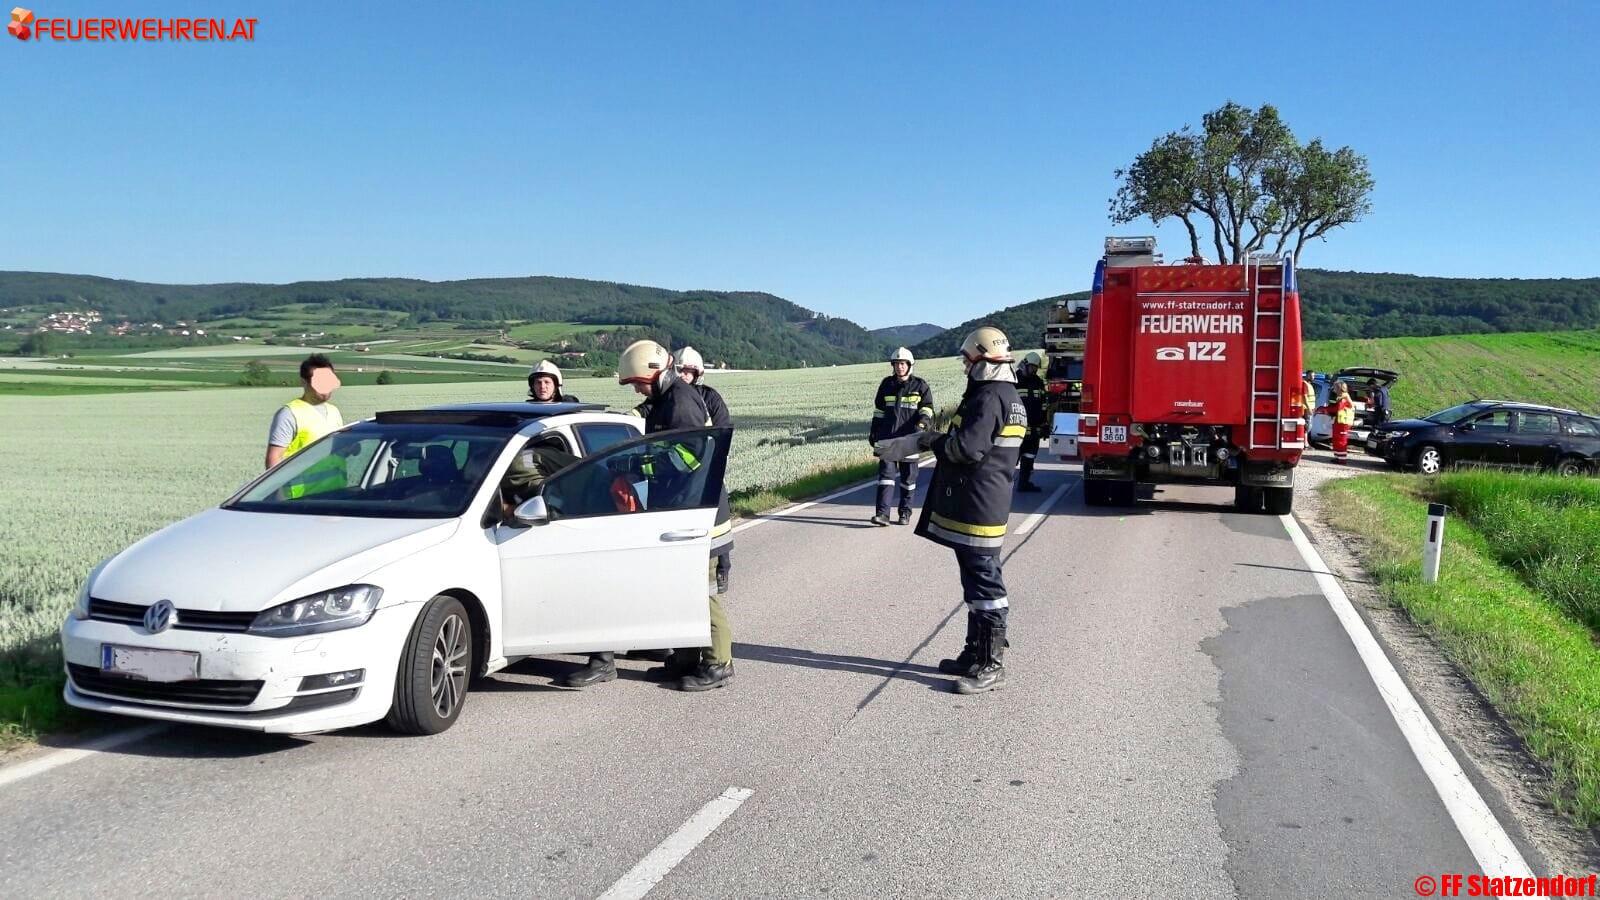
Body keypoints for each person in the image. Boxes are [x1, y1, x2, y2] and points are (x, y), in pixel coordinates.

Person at [885, 326, 1025, 695]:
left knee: (985, 582)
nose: (965, 367)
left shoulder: (991, 396)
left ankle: (992, 663)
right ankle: (974, 653)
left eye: (968, 361)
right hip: (982, 500)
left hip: (981, 504)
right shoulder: (1005, 394)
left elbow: (966, 449)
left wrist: (927, 439)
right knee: (974, 581)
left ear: (982, 360)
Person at [617, 339, 735, 692]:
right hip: (680, 509)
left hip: (698, 512)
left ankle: (719, 662)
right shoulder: (663, 400)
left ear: (655, 374)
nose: (636, 389)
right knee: (678, 589)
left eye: (637, 382)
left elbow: (690, 457)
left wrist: (640, 463)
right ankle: (684, 658)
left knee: (701, 590)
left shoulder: (680, 402)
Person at [868, 347, 934, 526]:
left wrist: (922, 423)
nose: (899, 367)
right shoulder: (886, 385)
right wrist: (874, 431)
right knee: (885, 478)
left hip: (910, 440)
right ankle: (882, 514)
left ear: (909, 365)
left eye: (903, 364)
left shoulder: (920, 386)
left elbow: (927, 408)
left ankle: (905, 513)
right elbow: (879, 411)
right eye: (896, 364)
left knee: (908, 480)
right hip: (887, 438)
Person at [265, 353, 343, 468]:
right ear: (304, 382)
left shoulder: (334, 411)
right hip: (302, 486)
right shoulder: (290, 414)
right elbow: (273, 459)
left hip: (337, 485)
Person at [1015, 351, 1047, 492]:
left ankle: (1024, 484)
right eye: (1032, 367)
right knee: (1010, 458)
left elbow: (1044, 404)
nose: (1034, 370)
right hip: (1016, 428)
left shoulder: (1038, 382)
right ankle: (1000, 486)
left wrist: (1045, 424)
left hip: (1034, 428)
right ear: (1025, 364)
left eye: (1036, 368)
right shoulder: (1014, 381)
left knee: (1029, 457)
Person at [1331, 381, 1355, 464]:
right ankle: (1338, 457)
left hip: (1343, 422)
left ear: (1339, 388)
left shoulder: (1343, 398)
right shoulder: (1341, 397)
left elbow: (1338, 408)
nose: (1333, 389)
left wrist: (1326, 410)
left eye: (1335, 387)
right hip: (1340, 421)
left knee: (1341, 440)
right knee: (1337, 440)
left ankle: (1342, 459)